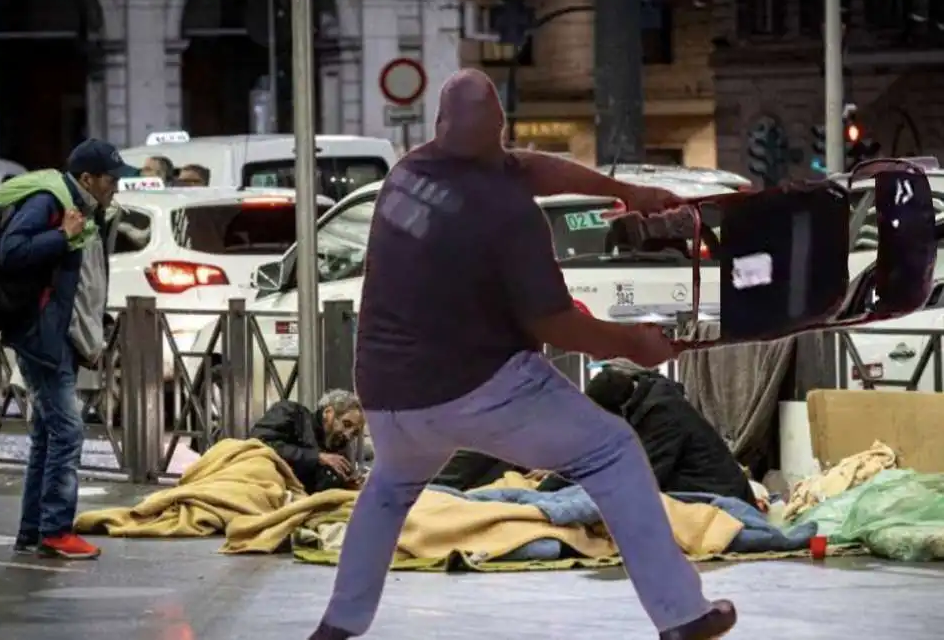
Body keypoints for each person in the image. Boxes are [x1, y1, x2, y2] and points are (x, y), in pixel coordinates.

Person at [309, 69, 735, 639]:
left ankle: (338, 625)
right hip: (478, 386)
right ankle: (682, 616)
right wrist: (637, 344)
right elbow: (554, 324)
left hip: (388, 395)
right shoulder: (509, 215)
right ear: (499, 130)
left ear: (439, 125)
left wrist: (626, 193)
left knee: (389, 489)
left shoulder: (410, 172)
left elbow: (528, 167)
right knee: (612, 451)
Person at [0, 139, 137, 560]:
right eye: (111, 180)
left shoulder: (87, 208)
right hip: (45, 338)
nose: (115, 187)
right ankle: (56, 530)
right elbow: (11, 251)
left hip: (62, 338)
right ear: (87, 179)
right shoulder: (48, 202)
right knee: (67, 431)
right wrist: (62, 235)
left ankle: (33, 530)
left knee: (46, 435)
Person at [585, 368, 757, 504]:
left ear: (621, 409)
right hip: (710, 490)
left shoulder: (662, 417)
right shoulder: (646, 402)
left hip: (723, 499)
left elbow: (641, 479)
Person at [250, 390, 367, 494]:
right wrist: (317, 457)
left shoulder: (338, 449)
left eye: (355, 433)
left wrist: (345, 485)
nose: (348, 435)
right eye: (346, 424)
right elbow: (259, 442)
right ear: (328, 413)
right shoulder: (291, 413)